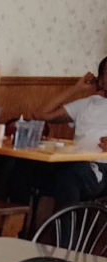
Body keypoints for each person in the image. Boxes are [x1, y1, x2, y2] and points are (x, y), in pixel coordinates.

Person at [32, 58, 107, 210]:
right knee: (19, 167)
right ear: (101, 79)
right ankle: (14, 229)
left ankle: (66, 234)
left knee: (68, 176)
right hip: (70, 162)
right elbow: (40, 114)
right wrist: (76, 88)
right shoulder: (88, 103)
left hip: (100, 169)